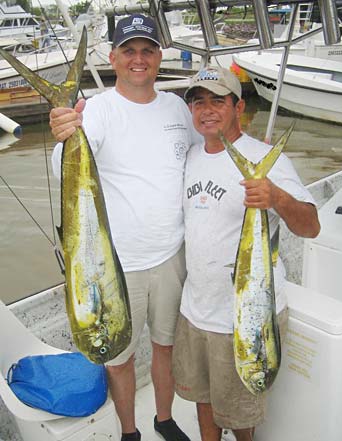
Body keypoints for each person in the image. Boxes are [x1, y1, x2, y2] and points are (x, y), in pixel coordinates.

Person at [50, 14, 201, 441]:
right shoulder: (95, 111)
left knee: (166, 346)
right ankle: (130, 431)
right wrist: (64, 134)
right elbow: (65, 172)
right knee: (118, 358)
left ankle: (164, 418)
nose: (139, 59)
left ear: (159, 57)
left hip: (173, 256)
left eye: (147, 50)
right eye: (130, 51)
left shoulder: (176, 107)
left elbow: (206, 154)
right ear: (113, 58)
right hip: (117, 267)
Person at [172, 66, 321, 441]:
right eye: (199, 102)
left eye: (217, 101)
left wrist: (277, 197)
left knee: (241, 414)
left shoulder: (266, 158)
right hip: (195, 310)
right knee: (201, 398)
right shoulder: (190, 156)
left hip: (244, 319)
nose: (206, 110)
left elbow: (310, 226)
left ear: (238, 107)